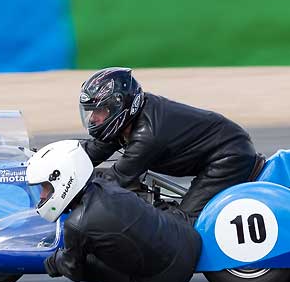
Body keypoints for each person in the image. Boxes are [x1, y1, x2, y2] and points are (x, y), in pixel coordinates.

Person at [27, 140, 202, 282]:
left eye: (46, 187)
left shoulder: (76, 225)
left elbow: (73, 270)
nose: (42, 195)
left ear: (64, 180)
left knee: (84, 261)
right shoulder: (105, 183)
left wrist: (56, 261)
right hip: (189, 239)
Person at [78, 67, 264, 219]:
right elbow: (91, 151)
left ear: (118, 105)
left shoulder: (147, 135)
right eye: (91, 112)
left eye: (99, 111)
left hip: (228, 155)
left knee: (184, 222)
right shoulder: (128, 119)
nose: (93, 118)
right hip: (218, 148)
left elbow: (113, 180)